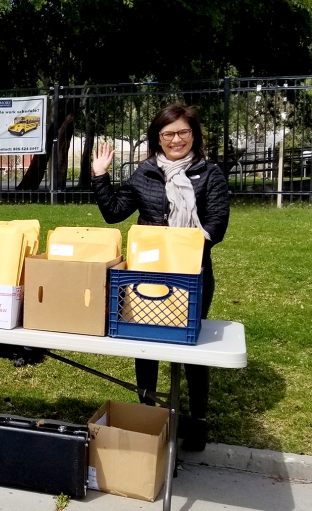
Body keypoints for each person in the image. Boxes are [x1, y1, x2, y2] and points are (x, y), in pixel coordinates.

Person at [92, 104, 230, 451]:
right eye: (168, 134)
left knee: (191, 345)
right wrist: (99, 176)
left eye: (183, 132)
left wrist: (181, 247)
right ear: (158, 139)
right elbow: (114, 213)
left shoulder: (209, 173)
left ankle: (197, 419)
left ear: (194, 135)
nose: (176, 139)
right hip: (149, 272)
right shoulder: (145, 173)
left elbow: (217, 225)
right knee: (147, 341)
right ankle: (148, 411)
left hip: (192, 272)